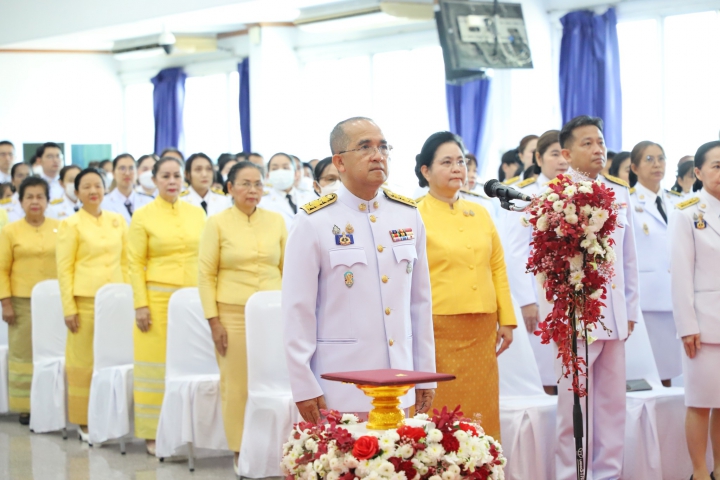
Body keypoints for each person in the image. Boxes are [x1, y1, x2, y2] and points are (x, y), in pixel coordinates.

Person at [283, 117, 436, 423]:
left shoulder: (407, 214)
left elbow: (420, 304)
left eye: (383, 147)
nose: (378, 155)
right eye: (365, 147)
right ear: (339, 162)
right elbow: (297, 311)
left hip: (400, 383)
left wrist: (425, 375)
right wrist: (303, 384)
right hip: (339, 387)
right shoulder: (314, 221)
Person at [415, 131, 516, 440]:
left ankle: (483, 462)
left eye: (460, 161)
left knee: (481, 409)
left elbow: (497, 266)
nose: (457, 168)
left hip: (482, 328)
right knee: (442, 414)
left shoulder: (481, 212)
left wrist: (506, 319)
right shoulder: (413, 214)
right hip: (438, 328)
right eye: (446, 162)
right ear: (426, 171)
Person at [555, 116, 640, 480]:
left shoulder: (619, 192)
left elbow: (628, 258)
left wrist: (630, 308)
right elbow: (547, 265)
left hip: (614, 315)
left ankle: (608, 474)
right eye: (587, 143)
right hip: (576, 316)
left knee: (611, 406)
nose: (597, 149)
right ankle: (571, 475)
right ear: (567, 153)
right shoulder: (556, 195)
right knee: (573, 407)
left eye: (600, 142)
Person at [198, 161, 287, 473]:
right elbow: (206, 275)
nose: (253, 190)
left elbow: (287, 270)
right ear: (230, 188)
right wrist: (214, 321)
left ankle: (276, 446)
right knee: (236, 385)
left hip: (273, 315)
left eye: (258, 184)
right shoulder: (217, 223)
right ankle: (239, 449)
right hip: (232, 315)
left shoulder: (276, 221)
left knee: (274, 381)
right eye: (245, 184)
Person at [128, 157, 206, 454]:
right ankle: (152, 432)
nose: (172, 181)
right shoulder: (143, 216)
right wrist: (140, 304)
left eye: (176, 176)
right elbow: (134, 263)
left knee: (189, 363)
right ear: (154, 180)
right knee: (155, 366)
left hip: (192, 301)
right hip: (157, 300)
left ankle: (189, 429)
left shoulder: (197, 213)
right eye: (165, 176)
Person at [56, 168, 129, 441]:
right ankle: (83, 418)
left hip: (116, 300)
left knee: (113, 358)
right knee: (83, 361)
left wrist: (129, 296)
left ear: (105, 188)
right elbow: (64, 269)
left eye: (97, 185)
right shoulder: (70, 224)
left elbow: (126, 261)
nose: (93, 191)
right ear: (76, 193)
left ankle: (111, 413)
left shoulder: (117, 220)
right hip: (85, 301)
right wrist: (69, 307)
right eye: (86, 187)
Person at [504, 129, 568, 394]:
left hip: (573, 291)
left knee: (574, 371)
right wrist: (526, 301)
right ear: (539, 158)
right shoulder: (523, 195)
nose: (562, 161)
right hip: (540, 294)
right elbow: (516, 252)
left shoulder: (580, 192)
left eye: (565, 154)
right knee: (546, 372)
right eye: (554, 154)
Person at [671, 140, 720, 480]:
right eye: (717, 166)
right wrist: (687, 325)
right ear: (699, 172)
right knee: (701, 403)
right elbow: (680, 273)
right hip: (704, 326)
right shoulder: (686, 212)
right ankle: (700, 472)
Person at [0, 177, 58, 425]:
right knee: (23, 353)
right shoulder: (9, 231)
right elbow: (2, 269)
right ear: (21, 201)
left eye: (40, 197)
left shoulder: (61, 227)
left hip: (55, 303)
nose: (35, 202)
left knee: (53, 351)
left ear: (47, 200)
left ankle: (52, 400)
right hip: (22, 302)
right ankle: (25, 406)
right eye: (29, 197)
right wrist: (6, 303)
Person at [628, 141, 683, 387]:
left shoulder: (678, 201)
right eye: (649, 159)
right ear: (634, 167)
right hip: (648, 295)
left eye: (661, 158)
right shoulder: (628, 202)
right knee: (649, 369)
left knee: (673, 368)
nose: (657, 164)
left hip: (676, 292)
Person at [259, 153, 314, 231]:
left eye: (285, 168)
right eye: (275, 169)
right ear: (268, 175)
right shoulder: (261, 202)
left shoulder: (310, 197)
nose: (280, 172)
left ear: (295, 174)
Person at [101, 154, 153, 225]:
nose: (127, 173)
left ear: (136, 171)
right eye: (122, 168)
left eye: (131, 168)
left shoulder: (149, 201)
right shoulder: (103, 203)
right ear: (113, 173)